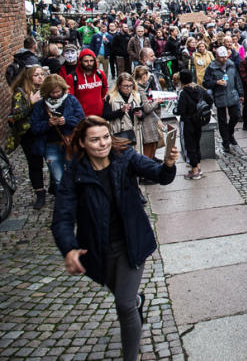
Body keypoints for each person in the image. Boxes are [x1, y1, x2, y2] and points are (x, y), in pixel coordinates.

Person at [52, 116, 179, 361]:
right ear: (82, 142)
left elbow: (159, 175)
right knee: (125, 296)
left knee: (123, 305)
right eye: (95, 139)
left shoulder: (126, 157)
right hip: (98, 248)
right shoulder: (75, 172)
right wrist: (69, 248)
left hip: (131, 242)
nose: (102, 144)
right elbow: (62, 217)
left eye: (106, 137)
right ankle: (137, 299)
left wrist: (168, 165)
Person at [7, 65, 47, 208]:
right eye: (36, 75)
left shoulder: (46, 88)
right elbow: (15, 115)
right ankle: (40, 193)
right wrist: (31, 102)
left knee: (51, 159)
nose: (40, 77)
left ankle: (56, 187)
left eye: (42, 74)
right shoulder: (21, 93)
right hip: (28, 134)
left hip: (45, 130)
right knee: (35, 164)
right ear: (29, 77)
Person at [202, 46, 244, 154]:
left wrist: (241, 93)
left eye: (225, 57)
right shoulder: (211, 67)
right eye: (221, 57)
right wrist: (216, 83)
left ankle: (230, 133)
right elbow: (206, 82)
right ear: (216, 56)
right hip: (220, 95)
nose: (224, 59)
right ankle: (225, 142)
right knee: (222, 121)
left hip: (232, 94)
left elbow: (237, 79)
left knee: (236, 116)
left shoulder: (231, 65)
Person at [174, 70, 213, 180]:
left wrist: (174, 110)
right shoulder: (199, 89)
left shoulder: (183, 92)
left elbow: (180, 110)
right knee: (196, 144)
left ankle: (195, 170)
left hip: (187, 122)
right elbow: (210, 100)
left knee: (189, 145)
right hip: (198, 121)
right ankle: (198, 167)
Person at [64, 48, 108, 118]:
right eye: (86, 61)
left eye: (91, 61)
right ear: (80, 61)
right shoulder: (71, 77)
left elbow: (104, 92)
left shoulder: (100, 74)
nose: (89, 63)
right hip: (82, 117)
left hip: (100, 116)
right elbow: (70, 99)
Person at [103, 73, 143, 144]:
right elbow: (106, 116)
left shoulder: (137, 96)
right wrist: (121, 111)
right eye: (126, 86)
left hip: (135, 132)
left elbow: (143, 113)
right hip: (119, 133)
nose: (128, 88)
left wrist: (141, 115)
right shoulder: (111, 98)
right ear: (119, 85)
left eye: (131, 85)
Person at [132, 66, 161, 160]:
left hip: (148, 123)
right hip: (146, 124)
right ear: (144, 76)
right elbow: (147, 108)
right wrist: (156, 102)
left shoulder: (140, 88)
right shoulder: (140, 90)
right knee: (148, 152)